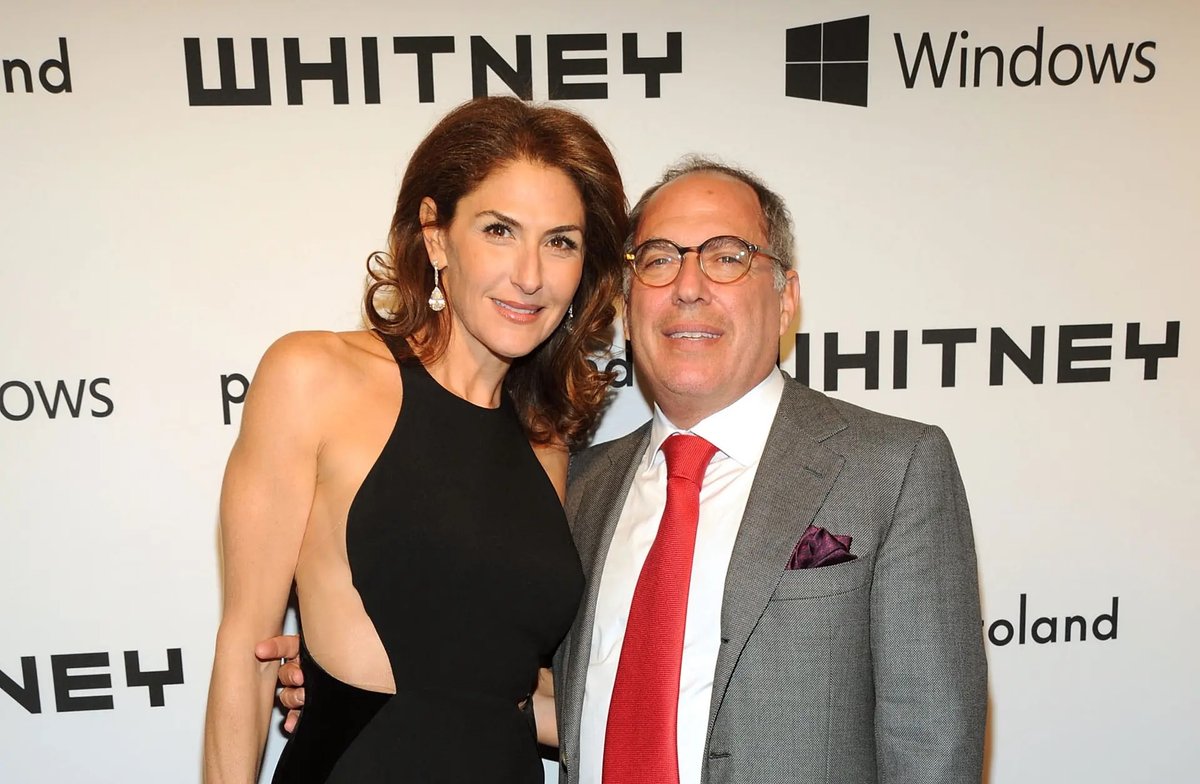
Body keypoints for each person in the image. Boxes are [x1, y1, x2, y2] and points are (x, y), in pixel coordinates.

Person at [265, 157, 988, 783]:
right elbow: (561, 695)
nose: (690, 286)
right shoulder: (574, 485)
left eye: (728, 255)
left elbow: (935, 741)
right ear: (626, 296)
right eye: (660, 258)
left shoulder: (892, 467)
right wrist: (349, 677)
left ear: (786, 294)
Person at [203, 96, 628, 784]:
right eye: (499, 230)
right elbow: (245, 653)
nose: (530, 274)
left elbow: (505, 692)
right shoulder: (314, 376)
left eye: (561, 241)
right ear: (436, 237)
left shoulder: (547, 438)